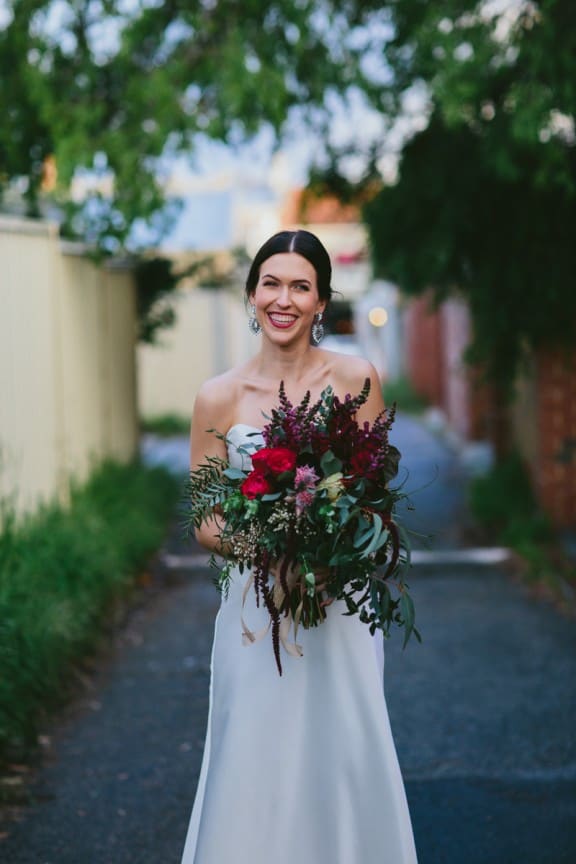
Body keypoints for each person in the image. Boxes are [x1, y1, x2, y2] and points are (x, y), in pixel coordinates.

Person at [181, 230, 418, 863]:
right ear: (252, 294)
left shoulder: (357, 379)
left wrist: (322, 544)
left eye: (300, 287)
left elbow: (371, 497)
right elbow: (205, 518)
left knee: (341, 747)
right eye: (271, 284)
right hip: (256, 607)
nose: (283, 299)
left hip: (338, 602)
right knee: (252, 750)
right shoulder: (218, 396)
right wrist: (272, 550)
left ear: (321, 301)